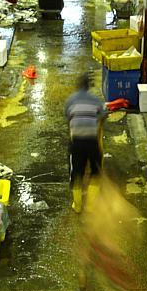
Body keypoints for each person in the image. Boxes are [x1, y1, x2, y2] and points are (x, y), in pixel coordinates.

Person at [66, 73, 107, 212]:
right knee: (96, 172)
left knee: (76, 174)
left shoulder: (71, 100)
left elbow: (68, 117)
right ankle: (90, 205)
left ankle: (77, 206)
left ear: (78, 86)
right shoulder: (96, 100)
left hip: (76, 142)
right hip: (92, 142)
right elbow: (103, 115)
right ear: (89, 87)